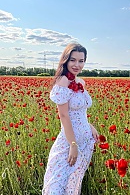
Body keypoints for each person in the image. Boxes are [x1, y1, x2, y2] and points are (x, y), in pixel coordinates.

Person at [42, 43, 99, 195]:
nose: (77, 65)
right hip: (69, 141)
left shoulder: (81, 82)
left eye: (81, 61)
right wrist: (72, 144)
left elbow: (80, 111)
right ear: (66, 60)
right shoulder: (62, 81)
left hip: (85, 139)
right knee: (58, 182)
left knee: (73, 182)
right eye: (73, 60)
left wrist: (90, 126)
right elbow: (64, 115)